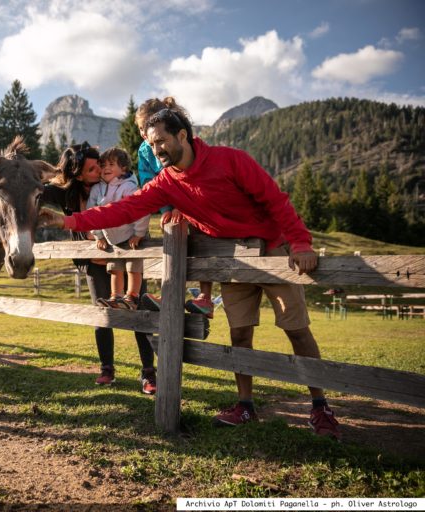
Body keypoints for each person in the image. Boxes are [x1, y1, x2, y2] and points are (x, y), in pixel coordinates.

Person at [40, 99, 341, 440]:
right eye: (151, 146)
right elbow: (123, 209)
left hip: (272, 246)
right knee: (240, 333)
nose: (156, 151)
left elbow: (275, 199)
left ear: (182, 135)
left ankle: (320, 407)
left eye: (161, 142)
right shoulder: (167, 182)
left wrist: (300, 242)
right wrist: (69, 221)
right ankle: (245, 405)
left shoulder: (231, 160)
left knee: (296, 329)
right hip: (233, 258)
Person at [42, 142, 157, 394]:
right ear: (78, 174)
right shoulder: (69, 193)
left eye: (102, 165)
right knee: (102, 314)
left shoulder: (116, 185)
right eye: (93, 168)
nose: (100, 170)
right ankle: (107, 368)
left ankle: (149, 372)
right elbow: (40, 192)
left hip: (126, 257)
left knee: (141, 313)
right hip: (95, 263)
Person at [135, 98, 214, 317]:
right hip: (171, 205)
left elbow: (192, 176)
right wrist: (166, 209)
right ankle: (170, 293)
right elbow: (149, 181)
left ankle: (205, 298)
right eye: (140, 128)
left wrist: (185, 207)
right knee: (171, 244)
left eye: (146, 126)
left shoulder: (183, 141)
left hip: (196, 204)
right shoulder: (144, 150)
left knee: (201, 244)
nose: (143, 133)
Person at [87, 147, 150, 310]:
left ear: (123, 168)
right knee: (115, 269)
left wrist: (139, 233)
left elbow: (140, 210)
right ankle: (116, 297)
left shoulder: (128, 187)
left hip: (131, 237)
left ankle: (132, 297)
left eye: (111, 164)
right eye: (104, 165)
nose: (106, 168)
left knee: (133, 268)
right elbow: (92, 213)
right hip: (111, 240)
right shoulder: (97, 189)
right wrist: (99, 235)